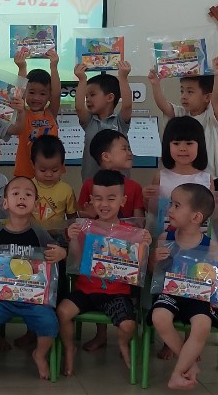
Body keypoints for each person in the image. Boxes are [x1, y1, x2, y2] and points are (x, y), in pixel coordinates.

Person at [0, 177, 67, 387]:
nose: (22, 197)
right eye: (15, 194)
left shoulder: (39, 233)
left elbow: (58, 251)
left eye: (28, 194)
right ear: (5, 203)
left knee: (50, 324)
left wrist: (61, 253)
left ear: (35, 204)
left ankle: (39, 354)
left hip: (33, 298)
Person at [59, 170, 151, 376]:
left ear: (122, 201)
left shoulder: (130, 232)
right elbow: (77, 261)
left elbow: (138, 266)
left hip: (116, 293)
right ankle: (69, 348)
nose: (104, 204)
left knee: (128, 325)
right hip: (85, 290)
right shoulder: (85, 228)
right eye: (98, 198)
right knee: (63, 312)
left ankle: (122, 343)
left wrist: (144, 244)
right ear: (91, 200)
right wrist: (73, 239)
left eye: (111, 198)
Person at [149, 183, 218, 390]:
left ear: (196, 217)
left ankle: (177, 373)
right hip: (169, 294)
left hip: (198, 298)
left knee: (202, 325)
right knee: (159, 317)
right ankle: (188, 363)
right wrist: (154, 259)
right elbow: (154, 272)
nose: (170, 210)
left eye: (177, 206)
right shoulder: (166, 239)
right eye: (171, 204)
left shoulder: (210, 247)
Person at [76, 129, 147, 350]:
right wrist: (88, 216)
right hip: (96, 252)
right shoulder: (89, 184)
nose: (129, 153)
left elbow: (138, 221)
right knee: (98, 284)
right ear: (106, 156)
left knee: (118, 292)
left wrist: (134, 237)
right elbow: (82, 215)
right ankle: (101, 334)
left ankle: (125, 328)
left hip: (123, 254)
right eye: (124, 148)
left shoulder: (134, 187)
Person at [147, 53, 218, 180]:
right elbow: (163, 106)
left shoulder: (211, 117)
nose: (184, 96)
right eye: (182, 91)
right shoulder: (182, 114)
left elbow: (217, 98)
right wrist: (155, 84)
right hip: (181, 174)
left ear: (207, 97)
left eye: (190, 92)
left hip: (208, 177)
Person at [144, 116, 215, 235]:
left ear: (200, 145)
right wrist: (146, 198)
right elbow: (154, 212)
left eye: (189, 143)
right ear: (168, 146)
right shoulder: (160, 176)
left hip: (197, 239)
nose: (182, 148)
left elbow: (211, 213)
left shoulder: (206, 179)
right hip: (165, 238)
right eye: (176, 143)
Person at [73, 60, 132, 183]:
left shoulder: (119, 122)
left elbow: (127, 105)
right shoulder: (89, 122)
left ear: (110, 97)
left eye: (92, 95)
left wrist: (123, 77)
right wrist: (82, 80)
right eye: (86, 96)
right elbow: (79, 107)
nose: (88, 100)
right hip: (92, 184)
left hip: (119, 185)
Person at [11, 48, 61, 179]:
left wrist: (54, 66)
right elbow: (19, 93)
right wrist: (22, 67)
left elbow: (56, 94)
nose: (36, 98)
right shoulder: (22, 114)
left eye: (42, 93)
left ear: (49, 95)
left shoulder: (50, 113)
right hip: (25, 175)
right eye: (32, 92)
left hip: (50, 175)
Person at [28, 134, 76, 231]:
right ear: (33, 164)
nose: (49, 174)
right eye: (42, 170)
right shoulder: (27, 187)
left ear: (62, 165)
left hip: (57, 235)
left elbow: (72, 218)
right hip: (32, 233)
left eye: (54, 170)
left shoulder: (66, 190)